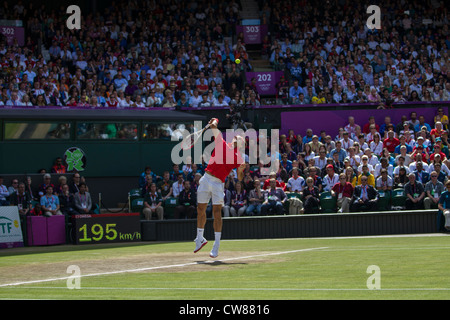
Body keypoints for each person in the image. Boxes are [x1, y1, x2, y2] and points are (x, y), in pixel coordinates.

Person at [194, 118, 245, 258]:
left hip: (218, 184)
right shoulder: (221, 142)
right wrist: (214, 122)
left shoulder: (238, 158)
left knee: (217, 212)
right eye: (234, 136)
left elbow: (239, 178)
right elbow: (215, 126)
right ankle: (200, 238)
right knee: (200, 210)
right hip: (205, 179)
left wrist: (240, 171)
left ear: (240, 144)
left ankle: (216, 244)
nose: (234, 138)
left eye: (237, 138)